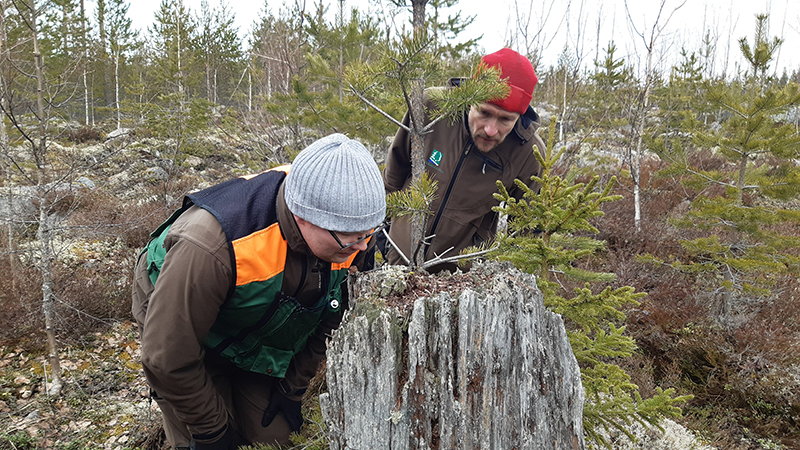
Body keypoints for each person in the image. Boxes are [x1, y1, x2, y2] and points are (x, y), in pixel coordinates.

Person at [131, 134, 386, 449]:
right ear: (304, 217)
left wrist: (292, 389)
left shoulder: (353, 228)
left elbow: (332, 317)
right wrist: (211, 431)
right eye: (352, 239)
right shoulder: (210, 246)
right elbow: (168, 357)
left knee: (273, 438)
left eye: (369, 233)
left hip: (261, 316)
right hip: (178, 305)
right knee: (206, 435)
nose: (362, 247)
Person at [383, 47, 547, 273]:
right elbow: (396, 169)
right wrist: (383, 233)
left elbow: (526, 231)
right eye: (484, 112)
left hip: (459, 281)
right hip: (397, 260)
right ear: (471, 96)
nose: (491, 130)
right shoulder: (432, 106)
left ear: (519, 116)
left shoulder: (528, 152)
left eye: (505, 120)